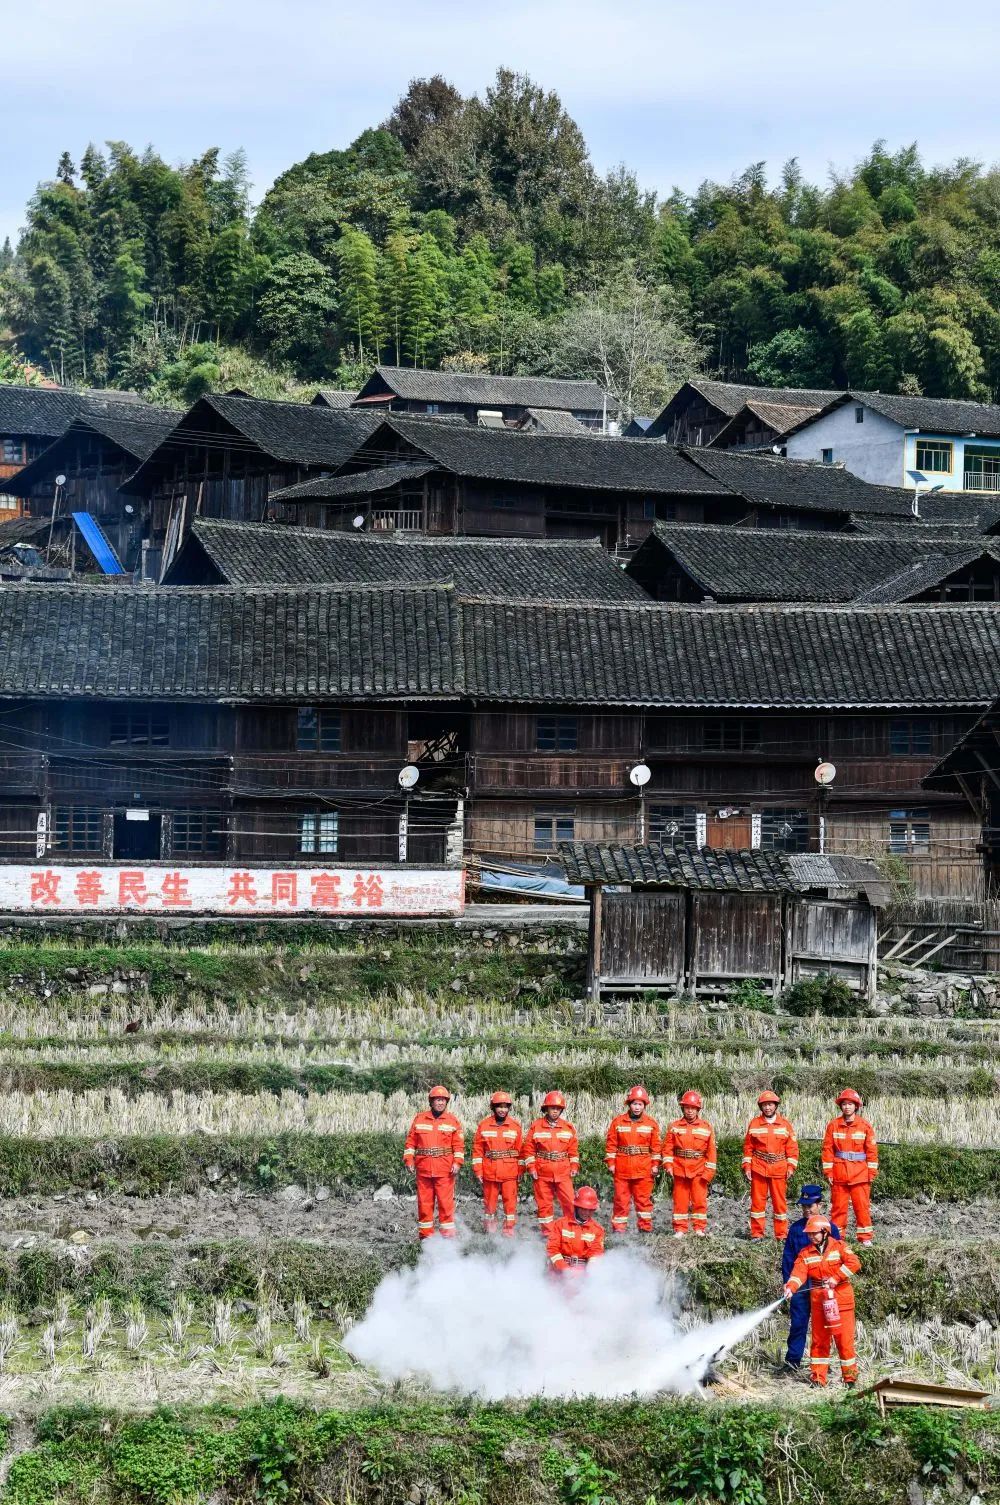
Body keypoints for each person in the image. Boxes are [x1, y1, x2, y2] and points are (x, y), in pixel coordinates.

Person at [783, 1215, 861, 1387]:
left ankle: (850, 1379)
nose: (811, 1237)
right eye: (809, 1234)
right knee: (819, 1341)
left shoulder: (839, 1247)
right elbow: (798, 1273)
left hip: (841, 1300)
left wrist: (836, 1278)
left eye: (814, 1233)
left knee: (844, 1340)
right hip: (819, 1301)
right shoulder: (805, 1253)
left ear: (825, 1232)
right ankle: (818, 1378)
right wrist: (791, 1287)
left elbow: (855, 1263)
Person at [782, 1185, 842, 1372]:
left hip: (823, 1288)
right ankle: (793, 1362)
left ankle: (823, 1365)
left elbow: (838, 1257)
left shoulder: (830, 1228)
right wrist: (789, 1285)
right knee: (798, 1324)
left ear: (820, 1205)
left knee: (824, 1327)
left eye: (811, 1205)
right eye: (804, 1206)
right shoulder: (796, 1229)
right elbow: (788, 1259)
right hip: (800, 1287)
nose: (807, 1209)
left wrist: (833, 1282)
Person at [403, 1085, 464, 1240]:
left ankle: (448, 1239)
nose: (440, 1103)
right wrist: (409, 1159)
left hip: (445, 1170)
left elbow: (458, 1146)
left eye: (443, 1100)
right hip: (423, 1170)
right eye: (437, 1100)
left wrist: (457, 1162)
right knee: (424, 1205)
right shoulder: (420, 1118)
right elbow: (410, 1143)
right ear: (431, 1101)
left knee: (445, 1205)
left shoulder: (452, 1121)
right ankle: (426, 1239)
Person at [821, 1088, 878, 1245]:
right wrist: (829, 1173)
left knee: (862, 1208)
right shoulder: (833, 1126)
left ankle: (865, 1239)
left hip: (860, 1175)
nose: (847, 1107)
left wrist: (871, 1173)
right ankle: (837, 1240)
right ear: (841, 1106)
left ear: (856, 1106)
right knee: (838, 1209)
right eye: (844, 1104)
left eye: (850, 1104)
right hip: (839, 1175)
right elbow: (827, 1150)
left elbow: (872, 1151)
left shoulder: (865, 1126)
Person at [742, 1090, 799, 1240]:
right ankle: (757, 1234)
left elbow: (792, 1148)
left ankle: (781, 1235)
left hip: (779, 1169)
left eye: (770, 1104)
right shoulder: (754, 1123)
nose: (767, 1108)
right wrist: (747, 1167)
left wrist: (791, 1166)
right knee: (757, 1203)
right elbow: (748, 1148)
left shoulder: (785, 1125)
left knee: (780, 1204)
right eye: (765, 1105)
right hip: (759, 1167)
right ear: (761, 1107)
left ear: (775, 1106)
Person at [605, 1084, 662, 1234]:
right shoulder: (618, 1122)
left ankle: (645, 1229)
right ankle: (619, 1231)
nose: (637, 1107)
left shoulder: (651, 1124)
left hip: (643, 1170)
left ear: (644, 1105)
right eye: (635, 1104)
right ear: (629, 1104)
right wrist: (611, 1163)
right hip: (622, 1169)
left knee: (643, 1201)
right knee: (620, 1201)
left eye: (640, 1104)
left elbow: (656, 1147)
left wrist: (655, 1165)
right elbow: (611, 1145)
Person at [522, 1091, 579, 1233]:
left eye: (558, 1108)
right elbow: (528, 1149)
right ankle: (547, 1233)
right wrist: (531, 1167)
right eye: (552, 1108)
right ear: (546, 1109)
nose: (555, 1111)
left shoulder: (568, 1127)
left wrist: (574, 1165)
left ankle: (570, 1230)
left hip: (563, 1172)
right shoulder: (536, 1126)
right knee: (544, 1205)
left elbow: (573, 1150)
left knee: (570, 1202)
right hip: (542, 1172)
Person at [662, 1089, 716, 1237]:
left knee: (699, 1201)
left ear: (698, 1109)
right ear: (683, 1108)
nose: (690, 1111)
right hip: (680, 1169)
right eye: (687, 1108)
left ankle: (699, 1228)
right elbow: (667, 1149)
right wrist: (668, 1165)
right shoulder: (674, 1126)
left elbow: (711, 1153)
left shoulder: (706, 1127)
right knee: (680, 1201)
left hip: (699, 1170)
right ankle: (680, 1228)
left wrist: (708, 1173)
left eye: (693, 1108)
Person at [472, 1090, 523, 1236]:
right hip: (490, 1171)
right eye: (499, 1106)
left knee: (510, 1202)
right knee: (489, 1202)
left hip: (510, 1172)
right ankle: (490, 1230)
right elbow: (477, 1150)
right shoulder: (484, 1125)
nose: (502, 1109)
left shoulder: (515, 1126)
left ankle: (508, 1230)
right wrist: (478, 1170)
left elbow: (521, 1151)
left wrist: (521, 1170)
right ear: (493, 1107)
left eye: (505, 1106)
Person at [546, 1186, 605, 1276]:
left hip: (582, 1273)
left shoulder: (597, 1230)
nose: (587, 1213)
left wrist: (591, 1270)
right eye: (584, 1209)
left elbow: (596, 1253)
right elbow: (552, 1250)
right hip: (558, 1270)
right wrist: (565, 1269)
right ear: (576, 1207)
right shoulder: (560, 1224)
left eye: (590, 1210)